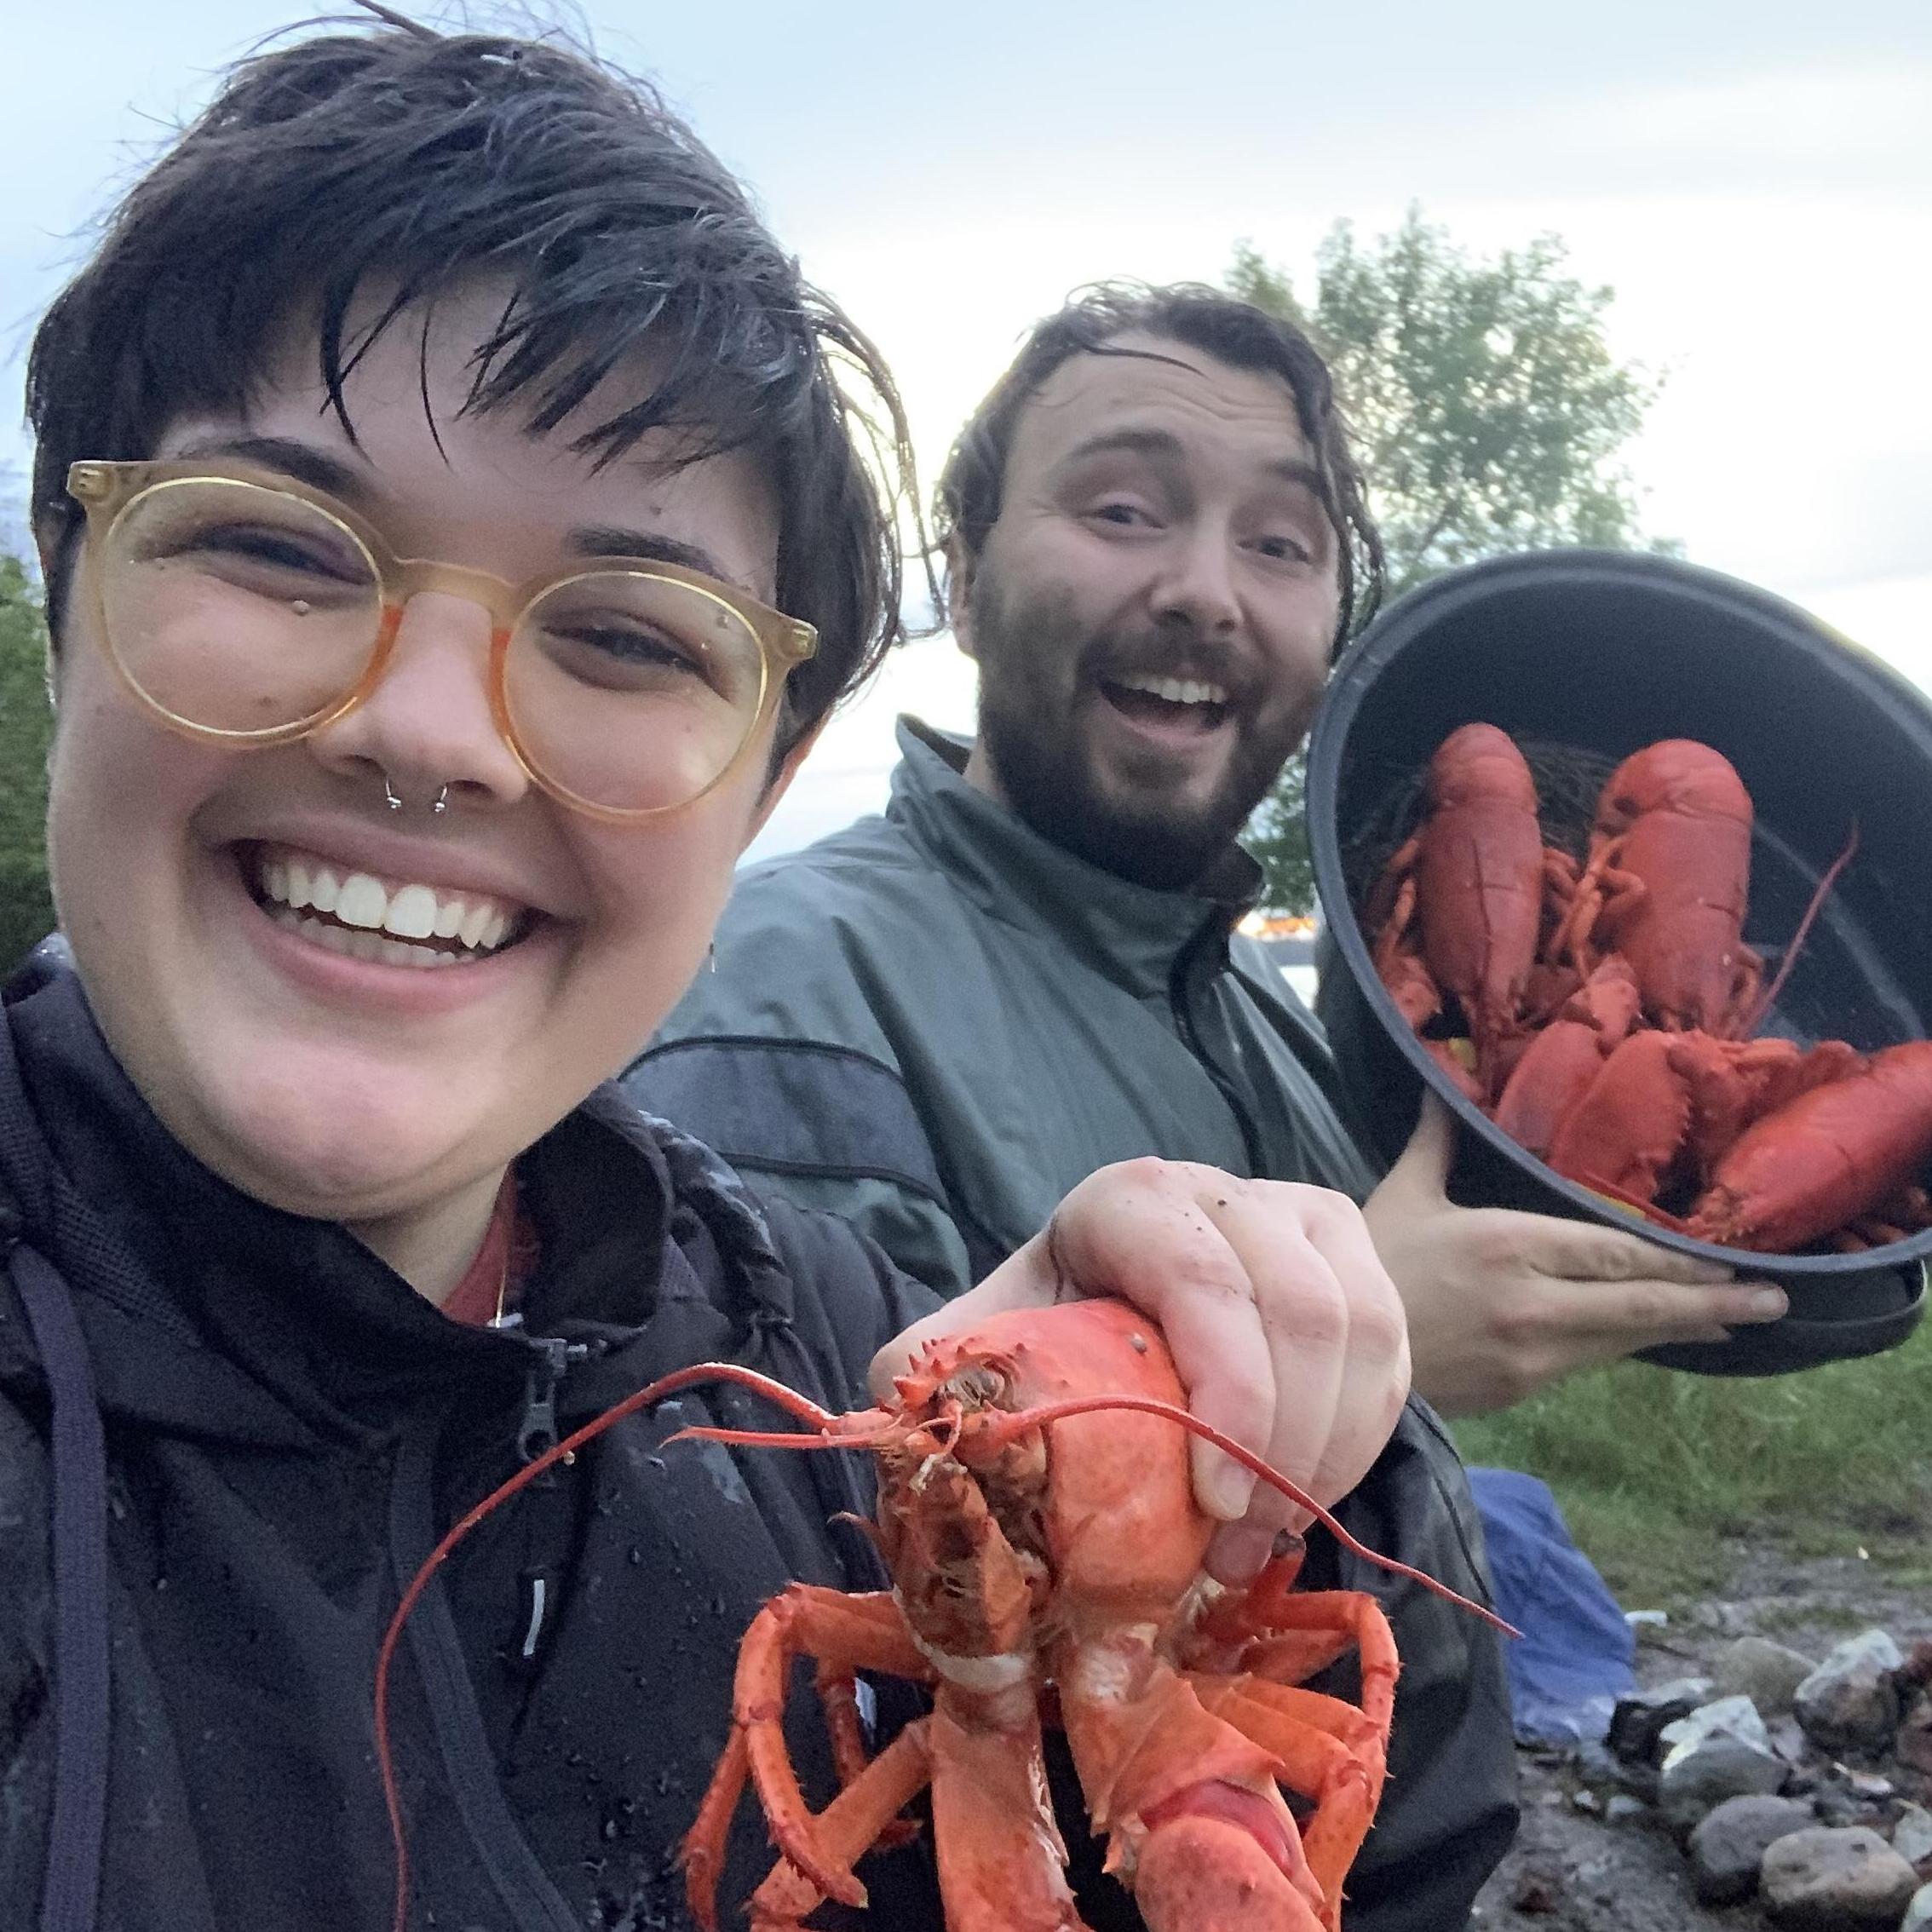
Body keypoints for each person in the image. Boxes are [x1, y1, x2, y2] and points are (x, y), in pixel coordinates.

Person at [3, 26, 1423, 1932]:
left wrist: (1305, 1440)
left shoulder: (831, 1338)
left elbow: (1413, 1817)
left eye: (625, 634)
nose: (434, 732)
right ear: (63, 590)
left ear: (761, 770)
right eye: (275, 545)